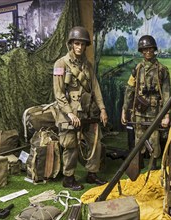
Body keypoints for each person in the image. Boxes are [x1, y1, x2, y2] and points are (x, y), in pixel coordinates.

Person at [53, 26, 108, 191]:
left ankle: (92, 173)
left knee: (95, 143)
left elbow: (95, 88)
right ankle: (68, 178)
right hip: (69, 113)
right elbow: (59, 93)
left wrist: (102, 109)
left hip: (88, 112)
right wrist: (69, 113)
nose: (79, 47)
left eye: (83, 44)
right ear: (71, 44)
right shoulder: (61, 64)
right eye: (76, 43)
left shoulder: (88, 65)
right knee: (71, 146)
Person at [121, 35, 171, 169]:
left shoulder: (162, 70)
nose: (147, 52)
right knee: (138, 138)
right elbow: (130, 90)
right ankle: (139, 164)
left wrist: (166, 115)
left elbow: (166, 94)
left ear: (154, 49)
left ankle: (153, 166)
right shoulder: (137, 69)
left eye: (150, 49)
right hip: (139, 111)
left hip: (155, 112)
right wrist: (124, 110)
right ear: (141, 51)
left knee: (154, 139)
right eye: (144, 49)